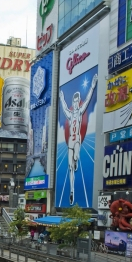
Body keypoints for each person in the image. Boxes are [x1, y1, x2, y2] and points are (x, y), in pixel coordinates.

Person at [59, 73, 97, 205]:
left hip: (77, 141)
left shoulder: (80, 112)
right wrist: (62, 98)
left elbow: (87, 100)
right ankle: (72, 192)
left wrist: (92, 87)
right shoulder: (69, 114)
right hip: (70, 141)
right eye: (74, 102)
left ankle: (75, 160)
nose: (75, 104)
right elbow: (63, 107)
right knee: (70, 168)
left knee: (75, 157)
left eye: (77, 101)